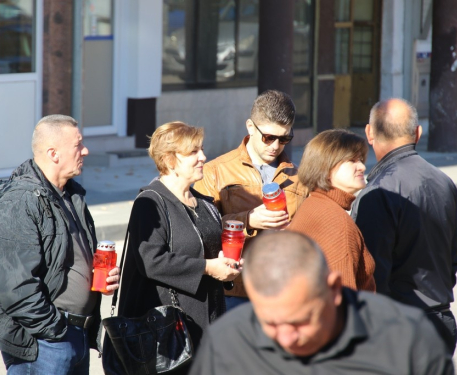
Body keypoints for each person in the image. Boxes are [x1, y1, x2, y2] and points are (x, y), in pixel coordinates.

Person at [0, 115, 120, 374]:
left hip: (76, 335)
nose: (85, 150)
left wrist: (97, 280)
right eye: (78, 144)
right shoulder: (22, 201)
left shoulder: (71, 195)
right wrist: (55, 332)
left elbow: (64, 261)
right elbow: (16, 287)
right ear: (53, 153)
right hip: (45, 344)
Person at [189, 231, 454, 375]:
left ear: (334, 289)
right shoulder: (228, 342)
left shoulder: (407, 338)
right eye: (268, 322)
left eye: (300, 320)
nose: (286, 338)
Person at [117, 122, 241, 374]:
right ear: (170, 161)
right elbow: (151, 261)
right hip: (167, 333)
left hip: (209, 325)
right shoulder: (150, 203)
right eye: (193, 152)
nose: (203, 157)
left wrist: (227, 268)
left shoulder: (205, 203)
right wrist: (207, 268)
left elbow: (211, 256)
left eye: (202, 149)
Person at [351, 98, 457, 354]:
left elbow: (371, 274)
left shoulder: (377, 192)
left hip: (398, 328)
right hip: (440, 322)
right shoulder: (445, 182)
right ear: (418, 134)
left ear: (369, 133)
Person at [194, 90, 308, 310]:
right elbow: (199, 233)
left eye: (285, 138)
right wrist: (248, 221)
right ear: (250, 127)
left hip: (284, 290)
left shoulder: (300, 178)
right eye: (268, 137)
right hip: (234, 291)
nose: (275, 145)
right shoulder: (215, 172)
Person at [289, 129, 375, 291]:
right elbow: (342, 300)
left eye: (361, 159)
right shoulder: (335, 222)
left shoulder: (314, 204)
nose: (362, 166)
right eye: (352, 160)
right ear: (326, 168)